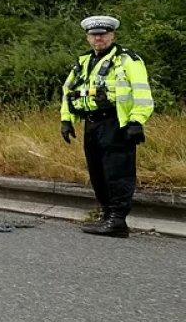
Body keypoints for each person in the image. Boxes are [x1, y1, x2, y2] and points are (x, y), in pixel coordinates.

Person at [60, 15, 154, 238]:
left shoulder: (128, 60)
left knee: (118, 172)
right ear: (88, 38)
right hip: (92, 123)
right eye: (94, 35)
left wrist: (136, 121)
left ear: (112, 35)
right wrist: (66, 119)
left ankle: (118, 220)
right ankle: (106, 215)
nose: (98, 38)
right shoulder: (83, 62)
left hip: (117, 123)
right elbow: (68, 90)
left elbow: (142, 92)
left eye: (103, 34)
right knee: (98, 171)